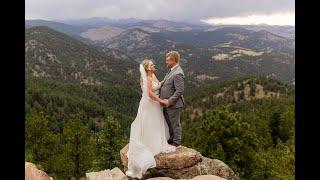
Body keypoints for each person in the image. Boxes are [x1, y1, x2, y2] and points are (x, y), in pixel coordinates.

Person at [125, 59, 177, 179]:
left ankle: (157, 141)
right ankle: (149, 144)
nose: (154, 66)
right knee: (150, 123)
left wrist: (168, 78)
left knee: (156, 123)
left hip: (155, 105)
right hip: (150, 104)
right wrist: (161, 100)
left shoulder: (153, 75)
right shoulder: (147, 79)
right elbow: (149, 94)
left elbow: (159, 83)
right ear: (147, 68)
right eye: (152, 65)